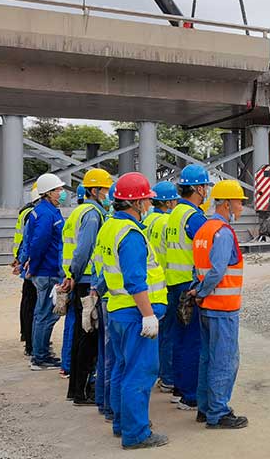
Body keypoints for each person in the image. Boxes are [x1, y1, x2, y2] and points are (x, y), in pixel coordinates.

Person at [98, 172, 168, 449]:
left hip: (117, 310)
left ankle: (121, 424)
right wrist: (148, 314)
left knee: (121, 369)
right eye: (146, 201)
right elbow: (135, 280)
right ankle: (136, 434)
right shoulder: (130, 234)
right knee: (139, 374)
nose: (149, 205)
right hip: (134, 314)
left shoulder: (109, 227)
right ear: (136, 203)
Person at [188, 180, 248, 429]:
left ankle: (205, 408)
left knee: (207, 358)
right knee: (225, 359)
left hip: (207, 306)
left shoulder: (204, 229)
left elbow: (197, 268)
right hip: (223, 306)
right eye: (239, 202)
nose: (242, 207)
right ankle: (218, 413)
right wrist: (202, 290)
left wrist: (197, 292)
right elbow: (217, 270)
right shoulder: (223, 232)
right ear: (226, 204)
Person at [61, 168, 113, 405]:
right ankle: (82, 391)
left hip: (79, 278)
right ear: (95, 191)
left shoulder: (79, 211)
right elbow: (83, 251)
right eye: (105, 189)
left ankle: (75, 389)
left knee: (81, 336)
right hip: (86, 280)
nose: (108, 193)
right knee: (88, 337)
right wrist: (74, 274)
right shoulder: (93, 215)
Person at [164, 164, 209, 410]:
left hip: (173, 284)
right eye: (204, 187)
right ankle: (190, 395)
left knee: (179, 339)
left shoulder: (174, 214)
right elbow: (206, 248)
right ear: (197, 188)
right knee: (192, 340)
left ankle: (179, 388)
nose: (206, 192)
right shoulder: (194, 217)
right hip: (188, 287)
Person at [25, 173, 67, 370]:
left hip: (45, 268)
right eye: (58, 190)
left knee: (41, 313)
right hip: (47, 270)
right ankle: (40, 357)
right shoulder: (46, 213)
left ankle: (39, 353)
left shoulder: (45, 210)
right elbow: (39, 243)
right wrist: (33, 268)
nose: (61, 193)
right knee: (46, 314)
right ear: (48, 193)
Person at [145, 181, 179, 393]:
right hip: (166, 282)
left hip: (149, 285)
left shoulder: (147, 219)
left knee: (158, 335)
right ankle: (167, 377)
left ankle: (159, 372)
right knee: (169, 334)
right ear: (168, 201)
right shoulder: (167, 222)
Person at [93, 181, 117, 422]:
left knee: (105, 355)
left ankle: (103, 401)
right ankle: (110, 407)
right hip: (115, 299)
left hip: (104, 296)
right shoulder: (123, 230)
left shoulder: (106, 227)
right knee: (115, 358)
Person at [13, 183, 40, 357]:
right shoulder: (33, 213)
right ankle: (31, 342)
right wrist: (22, 260)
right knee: (32, 303)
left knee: (27, 300)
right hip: (31, 263)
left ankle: (27, 335)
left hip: (25, 260)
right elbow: (31, 241)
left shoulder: (26, 211)